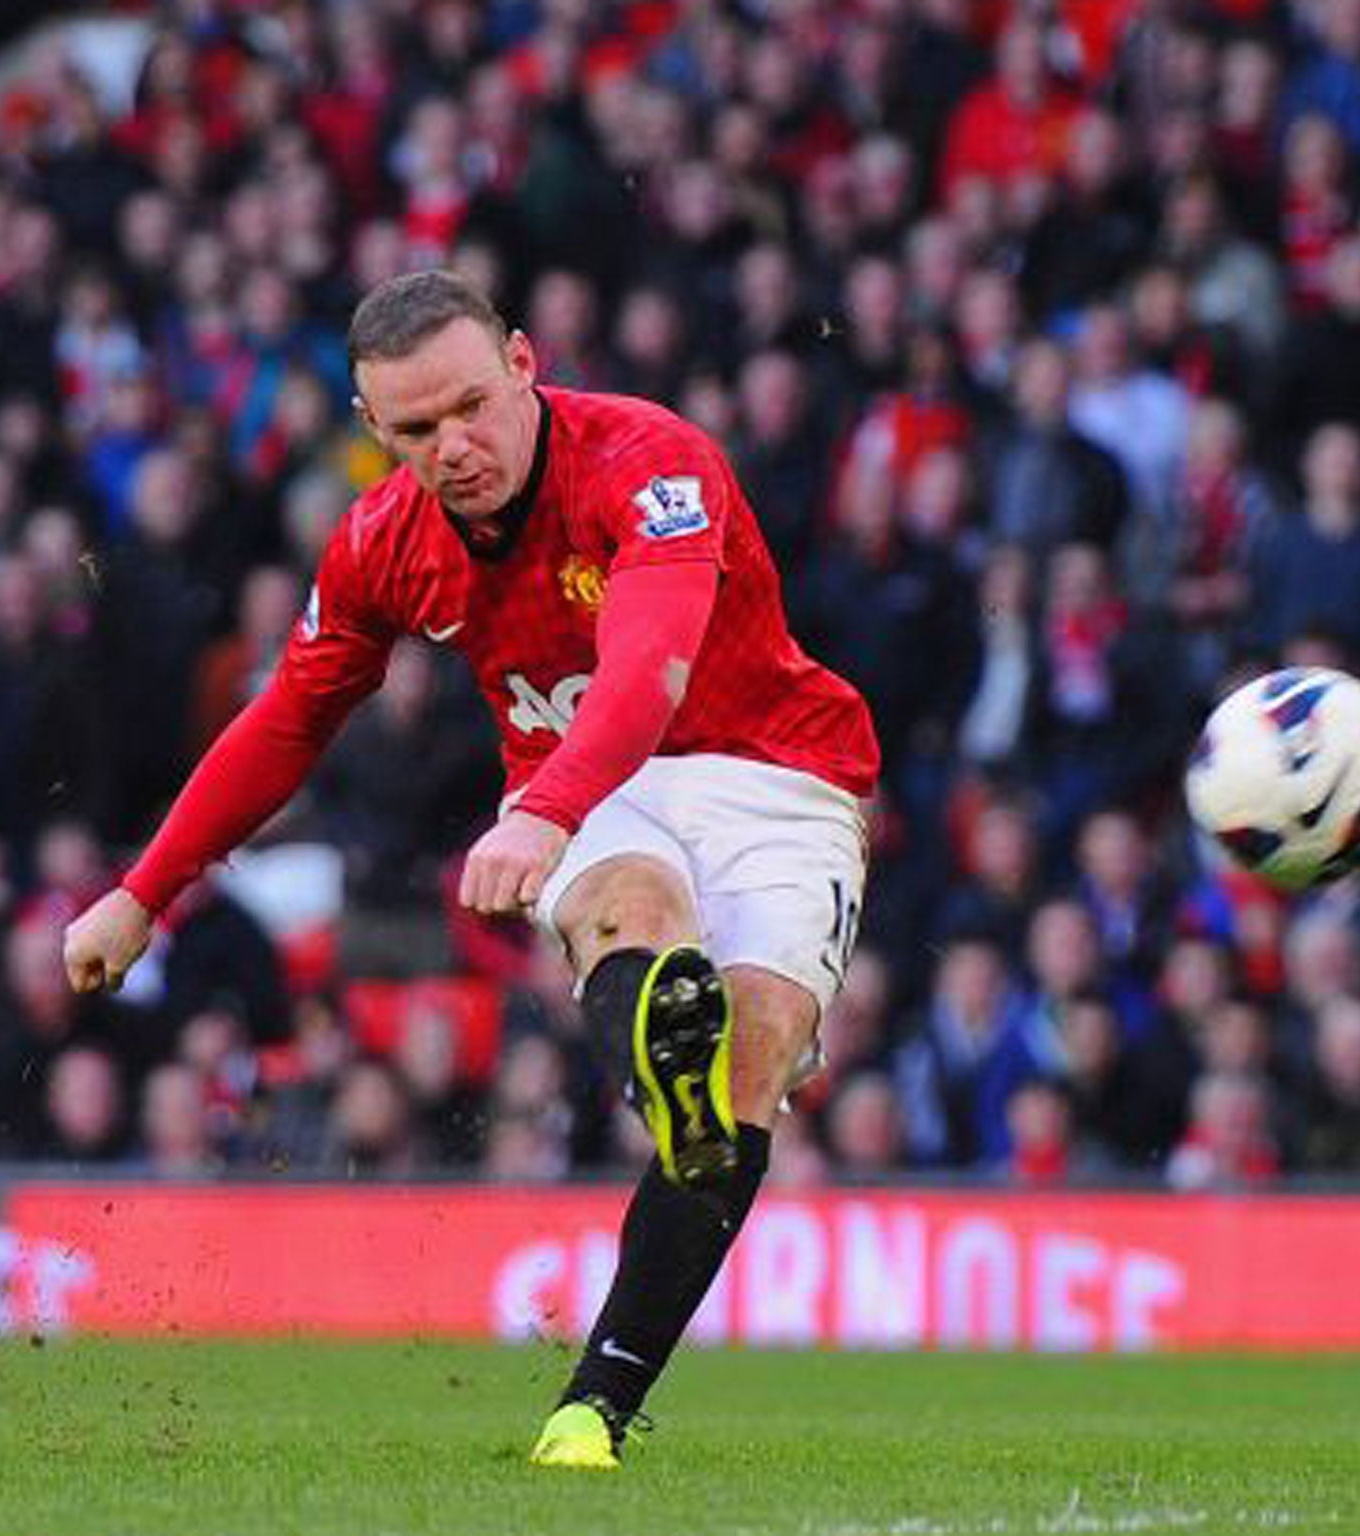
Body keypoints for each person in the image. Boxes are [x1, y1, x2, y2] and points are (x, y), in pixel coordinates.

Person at [61, 270, 878, 1468]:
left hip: (775, 774)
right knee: (633, 914)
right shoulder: (384, 542)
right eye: (413, 430)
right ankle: (587, 1412)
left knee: (749, 1055)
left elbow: (647, 669)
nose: (452, 448)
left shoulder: (649, 463)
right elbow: (289, 719)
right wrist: (144, 893)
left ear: (522, 365)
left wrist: (540, 813)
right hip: (596, 797)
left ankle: (601, 1383)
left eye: (468, 410)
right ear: (369, 429)